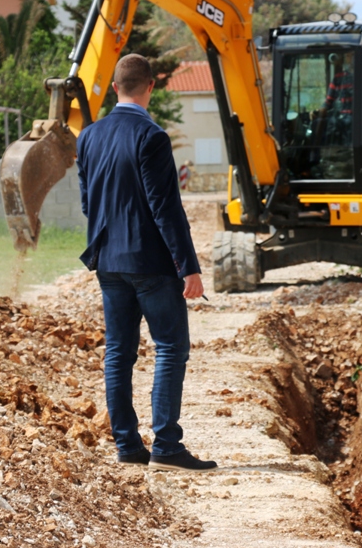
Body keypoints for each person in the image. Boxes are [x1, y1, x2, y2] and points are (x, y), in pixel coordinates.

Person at [76, 53, 216, 472]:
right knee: (171, 347)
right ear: (150, 87)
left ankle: (127, 444)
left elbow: (88, 202)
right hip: (151, 264)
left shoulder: (89, 136)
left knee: (119, 352)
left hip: (108, 261)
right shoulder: (152, 137)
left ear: (115, 87)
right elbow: (165, 208)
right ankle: (168, 446)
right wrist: (188, 266)